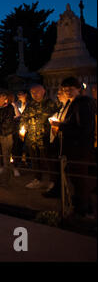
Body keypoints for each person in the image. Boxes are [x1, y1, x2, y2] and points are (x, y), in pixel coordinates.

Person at [50, 77, 96, 217]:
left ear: (78, 89)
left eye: (71, 89)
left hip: (79, 148)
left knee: (79, 178)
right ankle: (83, 205)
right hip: (73, 147)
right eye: (65, 90)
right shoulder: (73, 103)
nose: (67, 92)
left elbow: (84, 128)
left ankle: (83, 209)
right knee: (76, 178)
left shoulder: (83, 104)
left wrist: (61, 126)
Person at [20, 84, 58, 189]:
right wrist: (22, 129)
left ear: (43, 91)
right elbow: (23, 118)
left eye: (37, 92)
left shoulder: (50, 104)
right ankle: (37, 179)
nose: (35, 94)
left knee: (48, 160)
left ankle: (53, 181)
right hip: (32, 138)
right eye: (32, 93)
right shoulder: (30, 105)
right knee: (34, 160)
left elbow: (56, 118)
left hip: (45, 138)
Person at [43, 88, 71, 198]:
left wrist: (58, 124)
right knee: (55, 167)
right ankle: (57, 189)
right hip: (55, 140)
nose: (57, 95)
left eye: (60, 93)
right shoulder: (61, 107)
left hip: (62, 141)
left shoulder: (70, 107)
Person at [0, 90, 15, 185]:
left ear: (5, 97)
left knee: (6, 158)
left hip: (6, 135)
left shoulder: (9, 108)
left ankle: (6, 180)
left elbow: (8, 122)